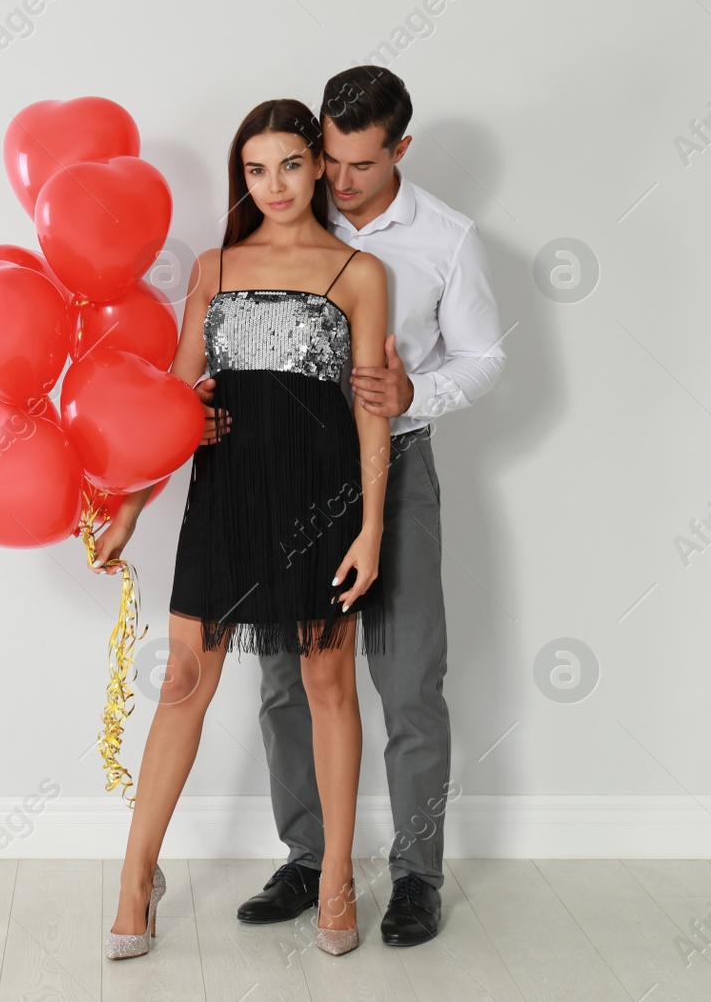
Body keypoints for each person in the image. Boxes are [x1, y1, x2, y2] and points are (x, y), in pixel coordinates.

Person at [92, 97, 392, 959]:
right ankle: (135, 876)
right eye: (257, 169)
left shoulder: (360, 273)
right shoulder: (215, 267)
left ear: (319, 166)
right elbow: (175, 403)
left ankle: (335, 877)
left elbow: (372, 414)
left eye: (292, 164)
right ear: (243, 176)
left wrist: (371, 528)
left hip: (322, 496)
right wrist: (130, 506)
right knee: (184, 680)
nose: (276, 185)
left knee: (329, 685)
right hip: (226, 497)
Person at [231, 66, 506, 947]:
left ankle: (417, 875)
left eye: (359, 164)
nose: (340, 182)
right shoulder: (285, 211)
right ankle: (309, 858)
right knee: (287, 677)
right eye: (330, 158)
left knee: (408, 675)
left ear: (401, 148)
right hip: (286, 480)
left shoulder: (448, 239)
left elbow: (485, 358)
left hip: (402, 463)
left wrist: (411, 390)